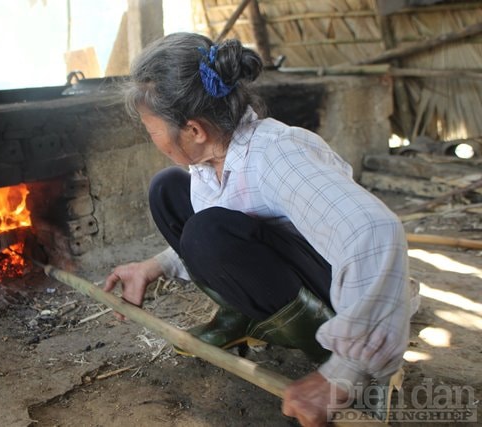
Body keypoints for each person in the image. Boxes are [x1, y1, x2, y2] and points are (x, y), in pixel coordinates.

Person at [103, 32, 412, 427]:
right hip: (286, 269)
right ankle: (242, 314)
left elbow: (375, 232)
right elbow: (232, 216)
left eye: (152, 131)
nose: (153, 140)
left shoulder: (276, 155)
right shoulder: (209, 159)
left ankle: (348, 365)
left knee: (205, 232)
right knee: (167, 189)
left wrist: (345, 372)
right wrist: (154, 266)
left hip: (338, 293)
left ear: (195, 130)